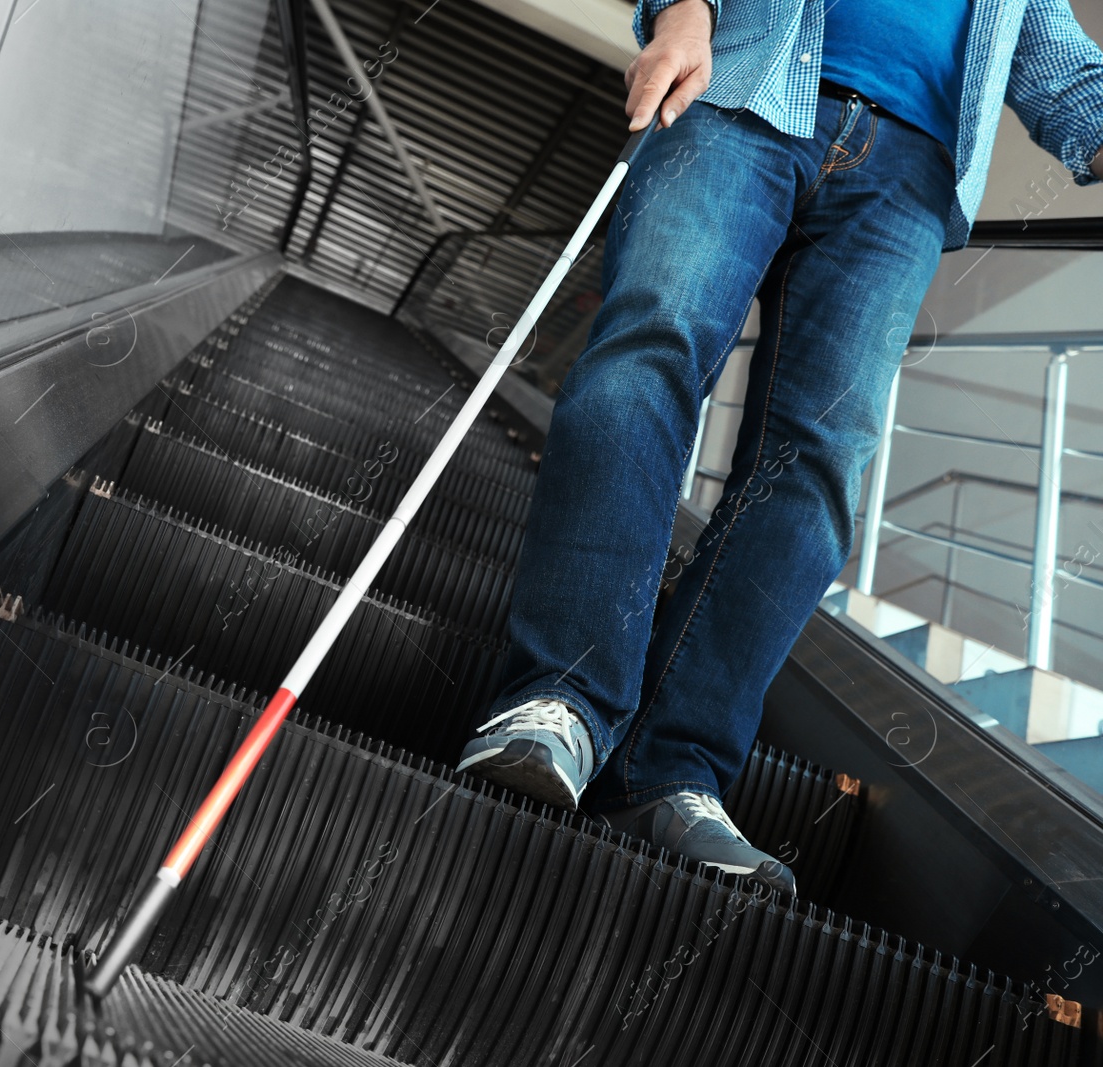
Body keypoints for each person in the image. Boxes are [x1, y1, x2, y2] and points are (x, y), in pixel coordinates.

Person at [457, 0, 1103, 895]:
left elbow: (1071, 81)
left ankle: (669, 769)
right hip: (744, 95)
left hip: (910, 180)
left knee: (821, 464)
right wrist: (680, 13)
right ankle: (559, 700)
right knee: (648, 354)